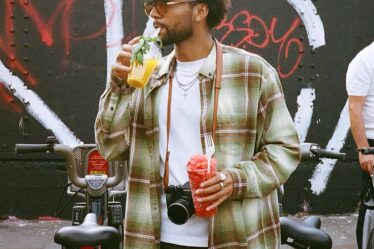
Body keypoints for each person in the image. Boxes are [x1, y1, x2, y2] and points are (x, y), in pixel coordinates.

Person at [95, 0, 301, 248]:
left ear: (200, 11)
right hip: (154, 237)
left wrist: (233, 181)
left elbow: (285, 149)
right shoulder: (146, 76)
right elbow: (110, 148)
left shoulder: (252, 72)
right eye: (150, 5)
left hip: (236, 237)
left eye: (164, 4)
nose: (154, 13)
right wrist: (119, 86)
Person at [346, 41, 374, 249]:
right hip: (372, 142)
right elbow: (355, 108)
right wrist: (364, 150)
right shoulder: (365, 60)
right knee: (371, 203)